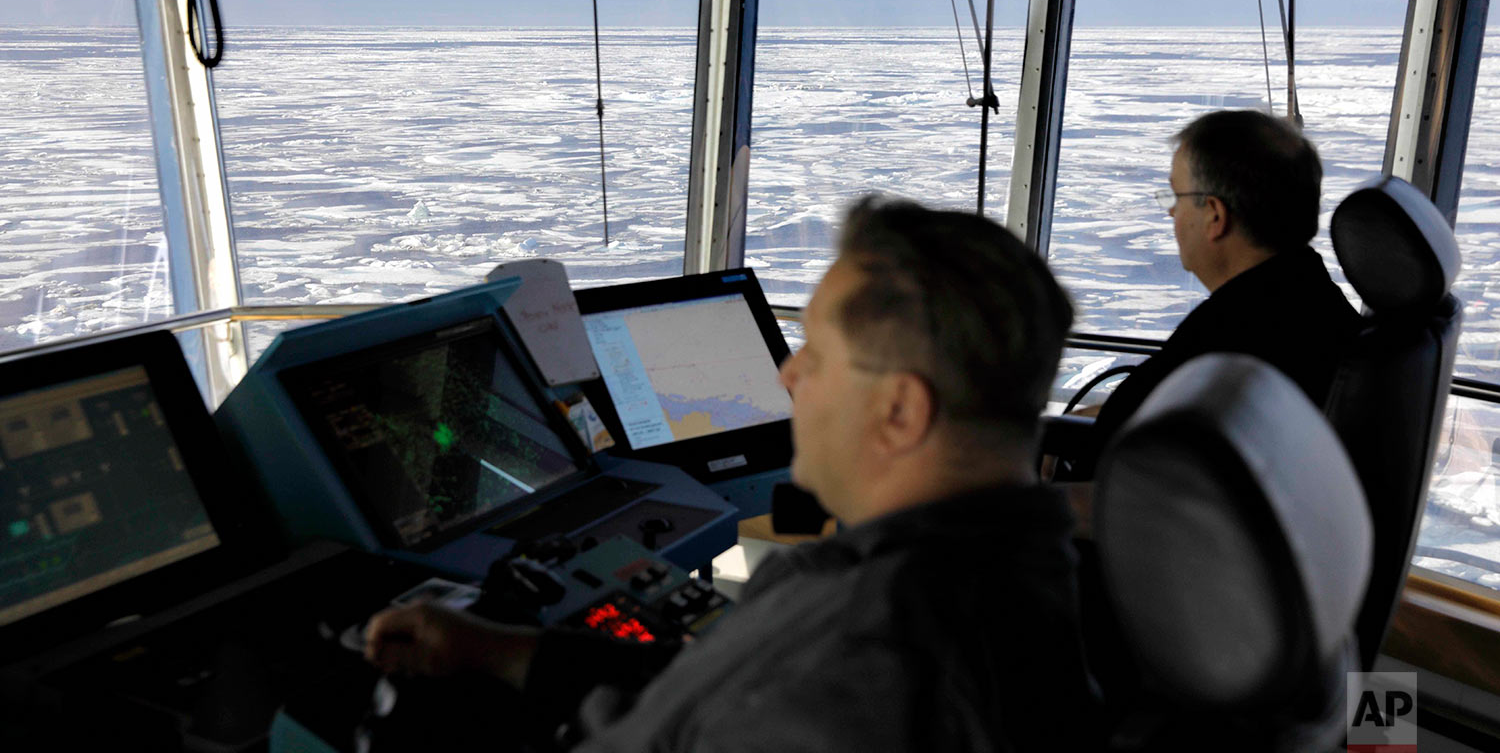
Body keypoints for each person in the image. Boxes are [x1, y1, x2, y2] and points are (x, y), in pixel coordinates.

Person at [364, 195, 1100, 751]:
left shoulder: (876, 655)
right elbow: (714, 689)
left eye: (815, 353)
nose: (787, 377)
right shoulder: (986, 570)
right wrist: (500, 651)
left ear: (901, 411)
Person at [1090, 110, 1362, 439]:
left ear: (1215, 216)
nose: (1172, 212)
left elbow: (1109, 451)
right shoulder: (1315, 301)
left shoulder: (1224, 343)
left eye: (1177, 198)